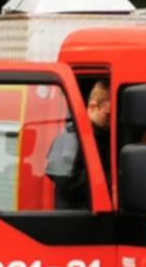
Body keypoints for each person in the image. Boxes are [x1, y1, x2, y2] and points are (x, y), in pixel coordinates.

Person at [46, 81, 112, 210]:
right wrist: (103, 180)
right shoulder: (72, 137)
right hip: (73, 216)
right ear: (93, 107)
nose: (110, 123)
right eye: (107, 115)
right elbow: (64, 182)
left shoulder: (98, 134)